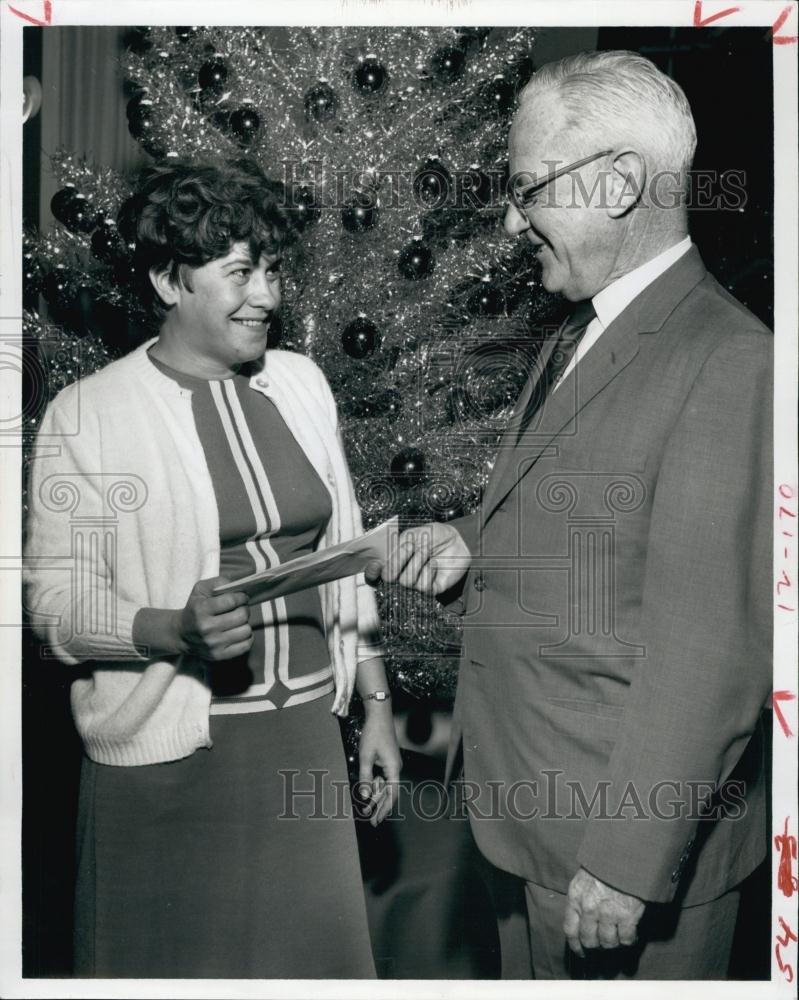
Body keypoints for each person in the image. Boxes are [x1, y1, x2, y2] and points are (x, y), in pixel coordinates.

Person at [369, 50, 772, 980]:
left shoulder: (729, 362)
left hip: (612, 848)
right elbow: (597, 514)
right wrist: (470, 540)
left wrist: (626, 864)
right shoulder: (581, 332)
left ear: (621, 183)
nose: (512, 221)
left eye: (527, 189)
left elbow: (713, 648)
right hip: (530, 820)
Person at [24, 159, 401, 979]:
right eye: (239, 273)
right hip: (170, 759)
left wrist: (373, 704)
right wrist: (169, 629)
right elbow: (52, 603)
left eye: (270, 269)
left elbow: (344, 558)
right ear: (167, 279)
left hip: (301, 741)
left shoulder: (301, 383)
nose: (265, 294)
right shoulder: (87, 412)